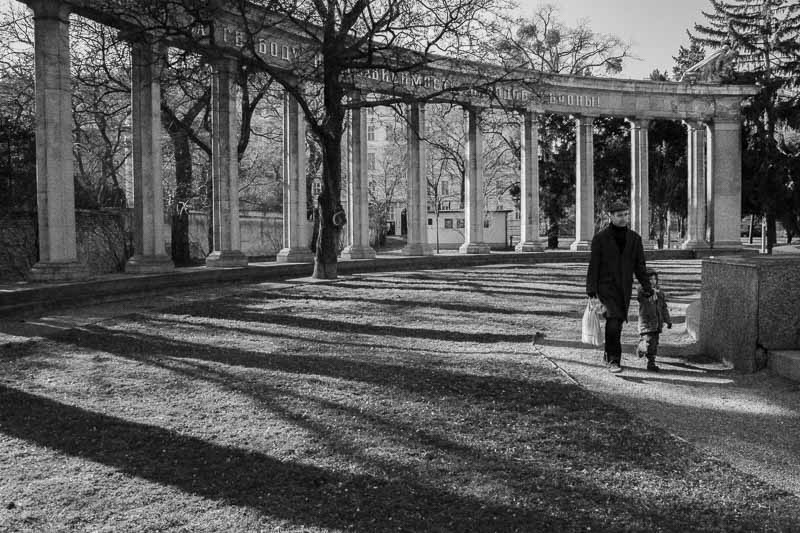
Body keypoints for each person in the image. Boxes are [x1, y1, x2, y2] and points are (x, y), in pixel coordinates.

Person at [586, 200, 652, 373]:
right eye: (619, 215)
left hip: (624, 288)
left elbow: (640, 266)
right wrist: (591, 290)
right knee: (613, 320)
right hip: (605, 287)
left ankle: (608, 355)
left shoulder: (635, 239)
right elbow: (594, 265)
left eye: (625, 215)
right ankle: (614, 360)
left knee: (617, 323)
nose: (624, 218)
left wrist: (647, 286)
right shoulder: (600, 238)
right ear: (611, 216)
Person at [636, 268, 672, 372]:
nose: (652, 281)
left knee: (654, 344)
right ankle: (641, 347)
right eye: (650, 279)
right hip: (646, 323)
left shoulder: (660, 293)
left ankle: (651, 362)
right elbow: (642, 298)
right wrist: (650, 292)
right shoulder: (642, 291)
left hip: (657, 324)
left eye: (654, 279)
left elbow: (664, 308)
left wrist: (668, 320)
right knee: (648, 342)